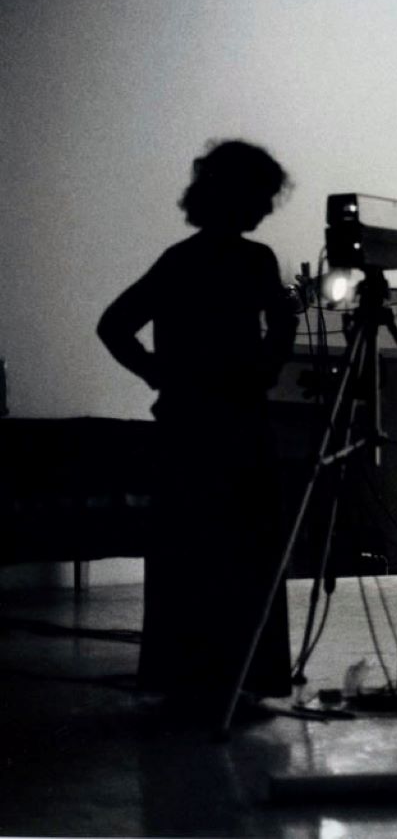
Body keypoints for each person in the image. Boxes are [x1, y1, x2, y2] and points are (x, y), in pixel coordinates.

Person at [98, 139, 298, 723]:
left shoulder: (179, 259)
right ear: (241, 198)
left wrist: (160, 375)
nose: (265, 209)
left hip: (188, 424)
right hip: (236, 422)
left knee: (189, 553)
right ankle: (245, 677)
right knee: (248, 549)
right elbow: (281, 324)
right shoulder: (255, 260)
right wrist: (265, 363)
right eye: (261, 197)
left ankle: (187, 678)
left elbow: (114, 326)